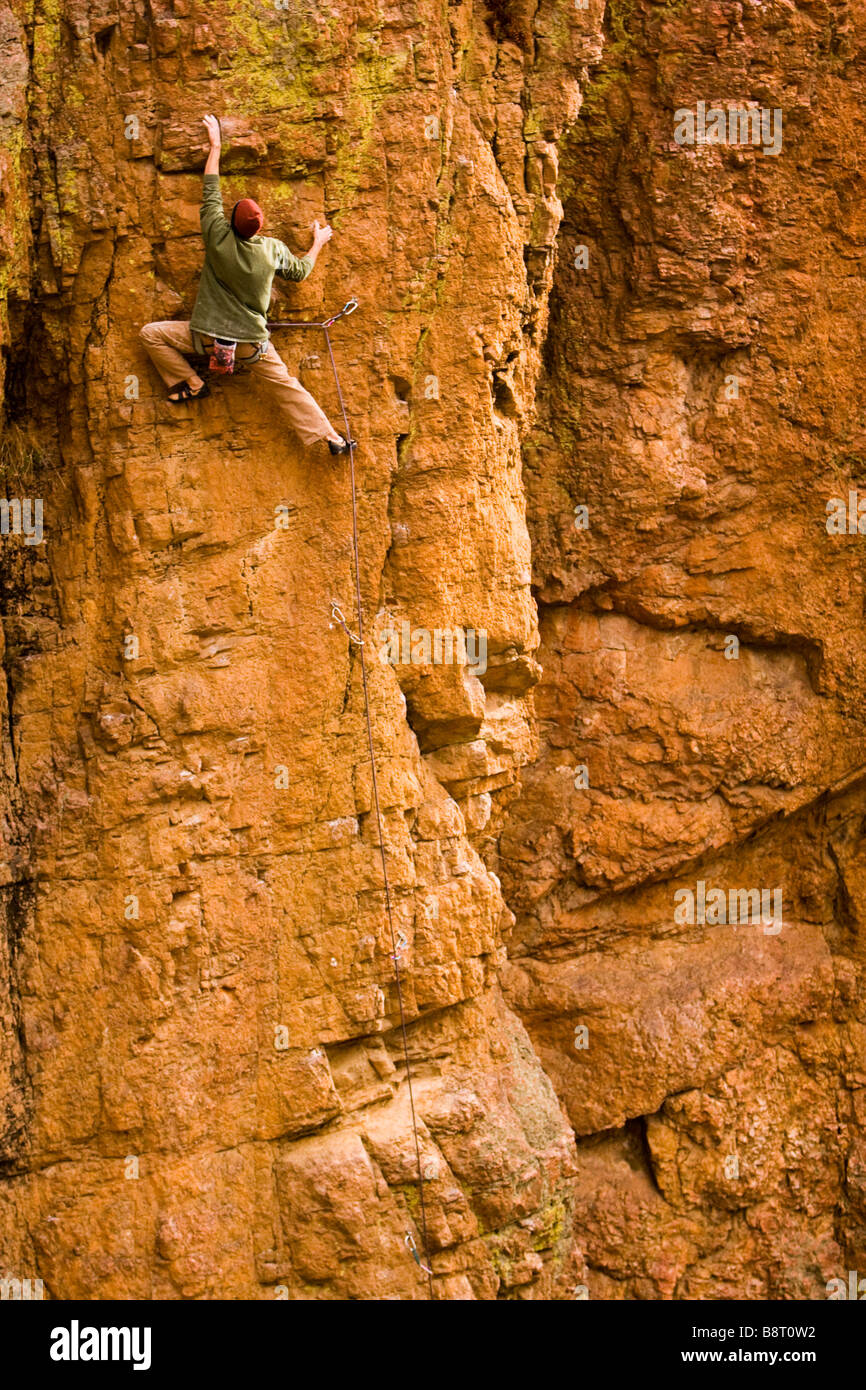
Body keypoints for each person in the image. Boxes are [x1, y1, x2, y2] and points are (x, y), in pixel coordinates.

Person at [140, 114, 356, 455]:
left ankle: (193, 383)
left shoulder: (217, 237)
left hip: (207, 339)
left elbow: (210, 191)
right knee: (288, 387)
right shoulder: (271, 250)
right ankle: (332, 438)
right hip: (251, 345)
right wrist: (318, 242)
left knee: (151, 334)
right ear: (259, 227)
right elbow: (300, 272)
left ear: (232, 221)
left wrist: (216, 145)